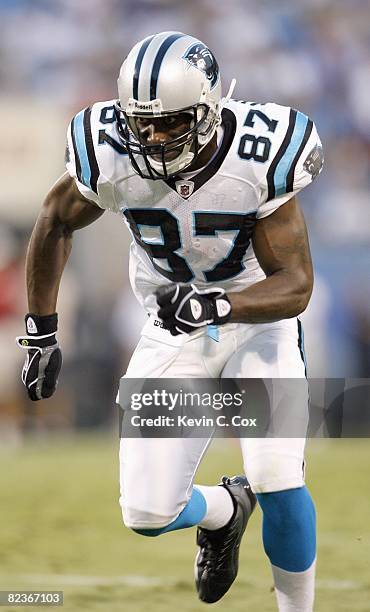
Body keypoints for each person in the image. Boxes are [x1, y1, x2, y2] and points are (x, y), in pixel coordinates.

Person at [17, 31, 323, 610]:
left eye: (171, 123)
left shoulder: (257, 154)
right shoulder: (109, 149)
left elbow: (295, 285)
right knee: (148, 512)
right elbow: (55, 219)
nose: (153, 138)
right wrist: (41, 330)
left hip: (257, 321)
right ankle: (227, 512)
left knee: (277, 474)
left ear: (208, 110)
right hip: (172, 330)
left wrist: (219, 304)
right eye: (142, 123)